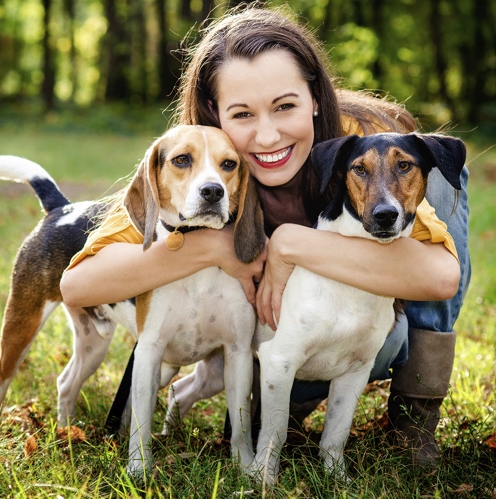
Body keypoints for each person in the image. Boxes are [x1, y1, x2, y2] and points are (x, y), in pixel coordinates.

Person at [61, 6, 470, 469]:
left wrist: (289, 245)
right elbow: (79, 286)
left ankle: (415, 415)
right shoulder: (199, 162)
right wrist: (214, 245)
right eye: (241, 114)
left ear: (316, 98)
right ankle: (284, 400)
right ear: (215, 115)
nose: (268, 134)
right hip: (277, 341)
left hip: (361, 333)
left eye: (285, 106)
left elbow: (440, 277)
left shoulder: (362, 144)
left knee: (441, 178)